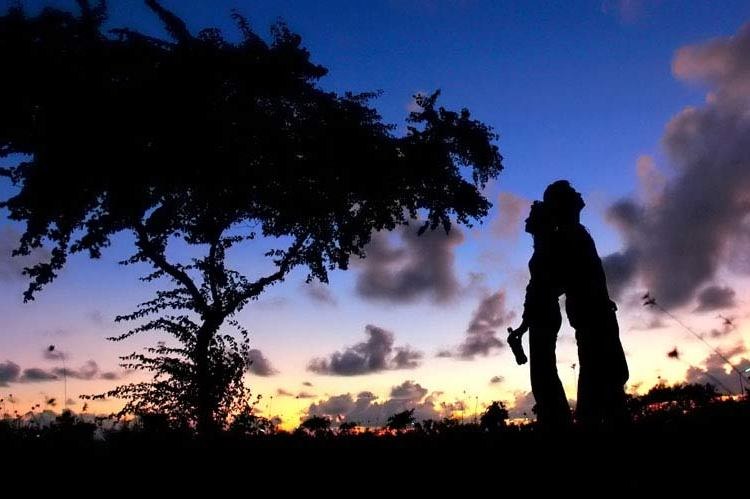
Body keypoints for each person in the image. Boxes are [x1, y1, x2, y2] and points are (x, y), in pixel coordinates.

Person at [542, 180, 629, 429]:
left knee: (605, 373)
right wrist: (591, 298)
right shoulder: (567, 234)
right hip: (592, 314)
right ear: (564, 203)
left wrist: (601, 298)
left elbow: (583, 273)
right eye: (572, 192)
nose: (578, 193)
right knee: (601, 374)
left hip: (595, 310)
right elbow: (562, 278)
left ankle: (599, 422)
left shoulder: (575, 232)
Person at [508, 201, 572, 430]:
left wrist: (545, 294)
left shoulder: (550, 246)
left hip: (545, 313)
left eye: (531, 215)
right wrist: (523, 326)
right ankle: (554, 421)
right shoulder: (542, 246)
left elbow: (557, 282)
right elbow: (534, 287)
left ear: (541, 221)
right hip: (540, 313)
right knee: (542, 374)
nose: (526, 220)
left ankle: (558, 425)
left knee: (544, 375)